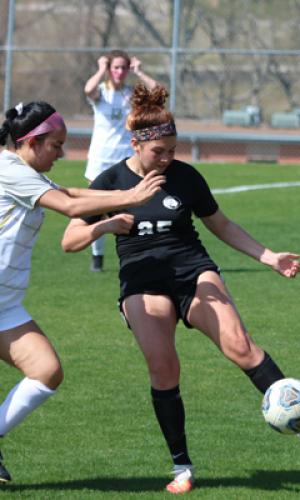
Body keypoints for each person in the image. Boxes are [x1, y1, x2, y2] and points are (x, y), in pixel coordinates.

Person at [62, 84, 300, 494]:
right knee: (164, 367)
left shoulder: (185, 177)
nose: (168, 158)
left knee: (241, 346)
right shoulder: (111, 181)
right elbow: (69, 240)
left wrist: (268, 256)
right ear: (136, 144)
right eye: (160, 152)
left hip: (192, 270)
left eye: (173, 149)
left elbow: (220, 225)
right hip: (142, 282)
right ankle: (181, 466)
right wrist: (107, 223)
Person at [0, 100, 165, 483]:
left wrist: (123, 203)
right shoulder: (10, 170)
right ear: (32, 141)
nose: (62, 153)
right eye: (56, 145)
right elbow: (68, 206)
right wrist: (131, 197)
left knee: (47, 371)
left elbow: (72, 192)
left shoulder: (24, 172)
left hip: (5, 305)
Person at [84, 50, 158, 272]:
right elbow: (88, 90)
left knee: (135, 208)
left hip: (124, 160)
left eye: (123, 68)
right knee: (96, 210)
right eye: (115, 67)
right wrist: (100, 69)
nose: (119, 72)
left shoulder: (130, 95)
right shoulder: (101, 93)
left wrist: (139, 71)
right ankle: (97, 257)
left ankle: (137, 255)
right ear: (109, 69)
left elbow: (156, 92)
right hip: (99, 160)